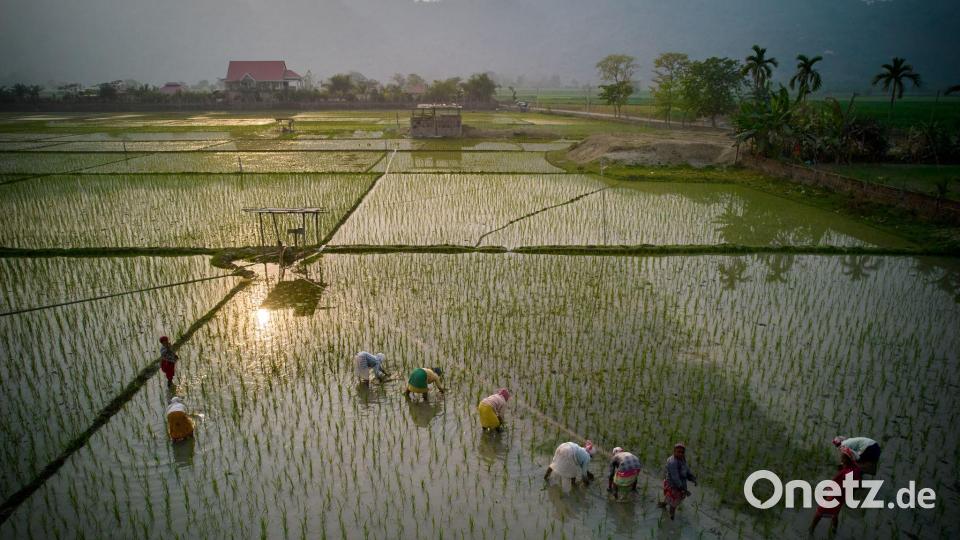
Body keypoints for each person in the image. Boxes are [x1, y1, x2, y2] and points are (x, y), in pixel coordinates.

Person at [810, 447, 862, 536]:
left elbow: (841, 487)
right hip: (841, 498)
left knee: (819, 513)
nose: (840, 458)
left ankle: (811, 529)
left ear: (846, 459)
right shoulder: (854, 468)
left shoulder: (848, 473)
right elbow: (857, 484)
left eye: (842, 457)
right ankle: (834, 529)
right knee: (835, 514)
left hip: (835, 496)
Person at [661, 442, 697, 520]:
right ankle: (671, 516)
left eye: (682, 452)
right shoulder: (672, 462)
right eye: (678, 452)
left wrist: (692, 478)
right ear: (674, 452)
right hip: (673, 485)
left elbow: (686, 470)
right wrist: (684, 489)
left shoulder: (682, 459)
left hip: (680, 484)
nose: (680, 454)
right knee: (673, 503)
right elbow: (675, 478)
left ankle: (663, 504)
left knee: (669, 497)